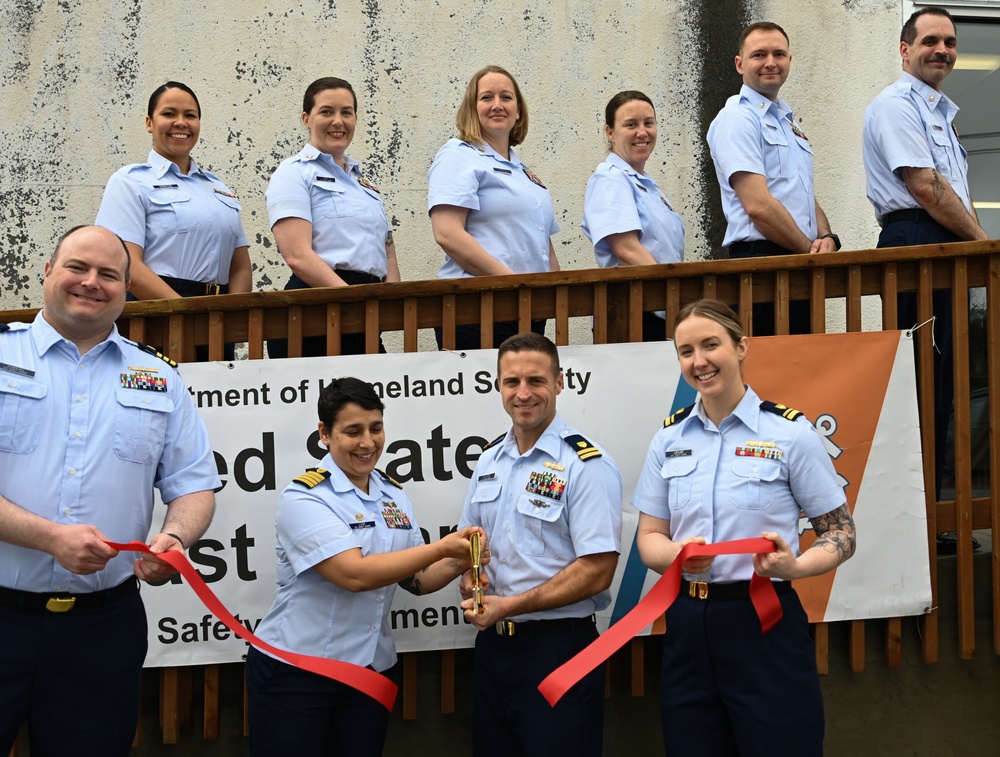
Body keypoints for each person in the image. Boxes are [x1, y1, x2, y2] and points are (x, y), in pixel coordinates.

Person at [0, 225, 219, 756]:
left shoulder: (159, 378)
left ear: (126, 289)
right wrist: (51, 538)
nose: (91, 282)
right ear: (47, 271)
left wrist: (176, 539)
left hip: (103, 630)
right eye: (77, 267)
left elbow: (193, 487)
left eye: (109, 274)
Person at [633, 298, 856, 757]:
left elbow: (842, 533)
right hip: (689, 627)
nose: (699, 361)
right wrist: (677, 555)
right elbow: (648, 540)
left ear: (740, 347)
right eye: (686, 351)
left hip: (764, 619)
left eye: (711, 345)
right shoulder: (667, 440)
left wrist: (795, 567)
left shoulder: (791, 434)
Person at [247, 377, 484, 757]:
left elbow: (416, 580)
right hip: (300, 673)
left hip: (369, 670)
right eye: (353, 431)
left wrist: (460, 559)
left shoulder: (392, 494)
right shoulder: (305, 498)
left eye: (376, 428)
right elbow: (353, 575)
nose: (368, 443)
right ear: (324, 433)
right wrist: (441, 546)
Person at [456, 333, 622, 757]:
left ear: (560, 382)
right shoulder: (488, 462)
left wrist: (509, 606)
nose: (523, 393)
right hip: (493, 650)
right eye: (511, 382)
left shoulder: (586, 465)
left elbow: (598, 569)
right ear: (498, 386)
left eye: (536, 380)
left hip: (559, 649)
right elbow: (469, 546)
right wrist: (471, 577)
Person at [862, 6, 987, 513]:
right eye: (930, 40)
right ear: (904, 49)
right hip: (916, 241)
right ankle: (911, 518)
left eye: (950, 42)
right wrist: (984, 244)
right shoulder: (897, 105)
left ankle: (935, 514)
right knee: (918, 386)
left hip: (947, 247)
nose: (942, 50)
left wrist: (972, 243)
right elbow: (925, 186)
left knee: (945, 386)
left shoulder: (941, 113)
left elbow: (954, 190)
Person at [707, 22, 841, 335]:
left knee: (803, 372)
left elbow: (802, 192)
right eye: (759, 54)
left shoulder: (787, 123)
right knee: (771, 374)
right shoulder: (737, 118)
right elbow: (758, 205)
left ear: (789, 61)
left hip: (797, 264)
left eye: (779, 53)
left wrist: (827, 238)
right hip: (763, 267)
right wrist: (809, 251)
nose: (771, 62)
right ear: (740, 64)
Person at [428, 65, 559, 350]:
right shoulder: (458, 154)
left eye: (506, 97)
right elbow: (447, 233)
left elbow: (543, 244)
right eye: (486, 97)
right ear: (472, 109)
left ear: (518, 111)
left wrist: (553, 295)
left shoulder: (525, 173)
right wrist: (515, 285)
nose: (497, 105)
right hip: (476, 308)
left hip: (528, 309)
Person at [266, 77, 398, 359]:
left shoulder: (363, 183)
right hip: (314, 312)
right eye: (327, 112)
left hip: (363, 311)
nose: (338, 121)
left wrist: (391, 303)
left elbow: (387, 249)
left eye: (346, 112)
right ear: (306, 118)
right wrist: (355, 302)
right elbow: (297, 255)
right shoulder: (293, 173)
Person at [582, 90, 685, 341]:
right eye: (631, 125)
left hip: (657, 310)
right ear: (610, 132)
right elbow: (626, 249)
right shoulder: (610, 178)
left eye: (649, 123)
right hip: (632, 315)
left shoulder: (647, 184)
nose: (642, 132)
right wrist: (674, 299)